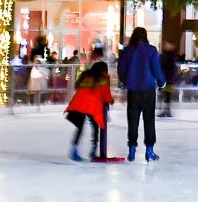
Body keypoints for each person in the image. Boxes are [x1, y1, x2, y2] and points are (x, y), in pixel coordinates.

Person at [117, 25, 164, 162]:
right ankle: (149, 150)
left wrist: (127, 81)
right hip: (148, 90)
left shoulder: (127, 51)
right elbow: (156, 68)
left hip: (133, 91)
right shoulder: (151, 50)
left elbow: (121, 70)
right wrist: (162, 82)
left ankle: (132, 149)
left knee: (133, 120)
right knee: (149, 120)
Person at [65, 48, 113, 161]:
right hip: (91, 107)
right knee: (95, 128)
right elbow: (106, 95)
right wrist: (111, 100)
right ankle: (93, 151)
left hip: (78, 105)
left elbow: (78, 87)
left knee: (80, 128)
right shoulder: (103, 78)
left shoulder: (86, 75)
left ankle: (74, 148)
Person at [159, 38, 180, 118]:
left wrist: (170, 78)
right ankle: (166, 110)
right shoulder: (168, 55)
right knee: (165, 95)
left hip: (168, 79)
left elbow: (170, 68)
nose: (164, 46)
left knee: (166, 95)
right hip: (167, 79)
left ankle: (167, 111)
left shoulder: (169, 56)